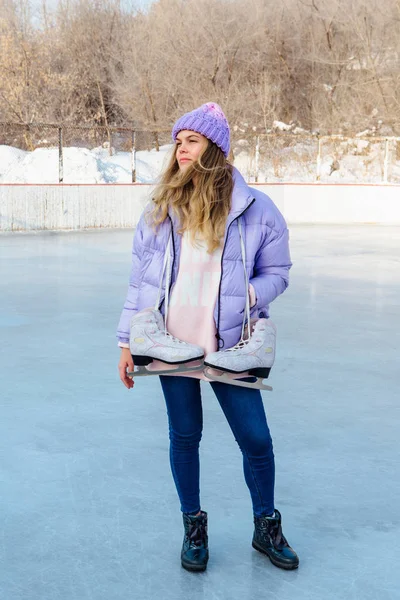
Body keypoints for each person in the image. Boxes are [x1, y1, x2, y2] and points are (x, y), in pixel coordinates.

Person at [117, 102, 299, 572]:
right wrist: (125, 342)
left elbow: (279, 270)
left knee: (256, 439)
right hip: (170, 342)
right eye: (178, 141)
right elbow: (140, 283)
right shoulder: (161, 209)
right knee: (185, 435)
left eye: (191, 140)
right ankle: (193, 527)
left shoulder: (257, 209)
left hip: (231, 346)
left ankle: (266, 526)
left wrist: (250, 294)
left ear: (214, 148)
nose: (181, 149)